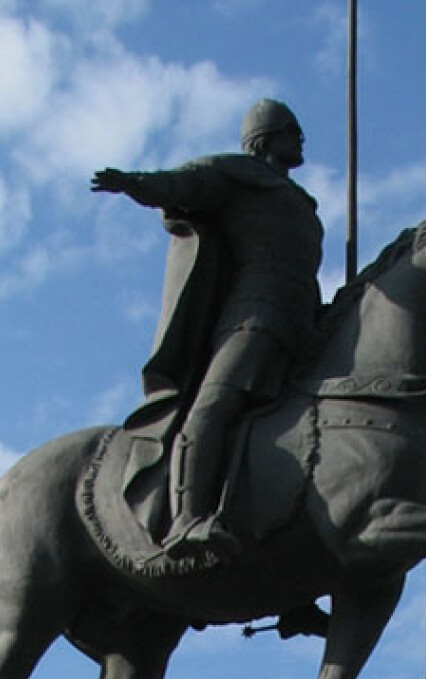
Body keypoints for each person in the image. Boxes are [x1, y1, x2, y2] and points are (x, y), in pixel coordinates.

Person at [92, 98, 324, 557]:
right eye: (290, 129)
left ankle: (298, 560)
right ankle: (186, 518)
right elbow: (187, 182)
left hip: (304, 320)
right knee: (214, 406)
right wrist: (136, 184)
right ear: (264, 137)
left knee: (316, 431)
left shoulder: (300, 204)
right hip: (254, 315)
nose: (300, 138)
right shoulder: (238, 175)